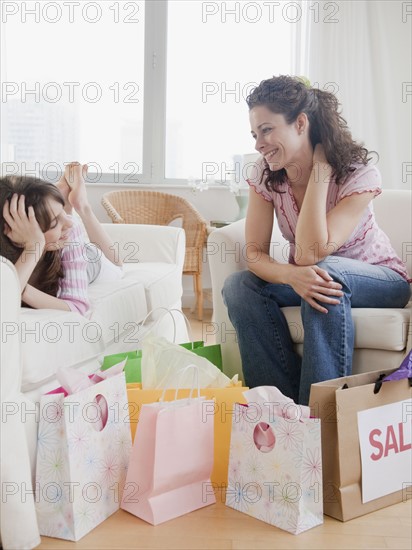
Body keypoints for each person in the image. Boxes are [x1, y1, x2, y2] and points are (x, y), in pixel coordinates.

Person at [222, 75, 411, 405]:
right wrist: (290, 275)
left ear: (300, 124)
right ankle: (279, 410)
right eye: (255, 134)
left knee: (323, 272)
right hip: (316, 272)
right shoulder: (265, 174)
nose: (258, 144)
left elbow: (310, 251)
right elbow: (255, 253)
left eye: (267, 130)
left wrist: (320, 171)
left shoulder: (357, 173)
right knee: (240, 286)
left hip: (382, 280)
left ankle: (320, 418)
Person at [0, 162, 123, 315]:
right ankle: (62, 205)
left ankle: (81, 206)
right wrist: (34, 247)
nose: (69, 222)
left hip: (81, 256)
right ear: (15, 234)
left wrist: (18, 284)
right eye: (53, 223)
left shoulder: (70, 231)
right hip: (52, 247)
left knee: (117, 269)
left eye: (61, 214)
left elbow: (77, 308)